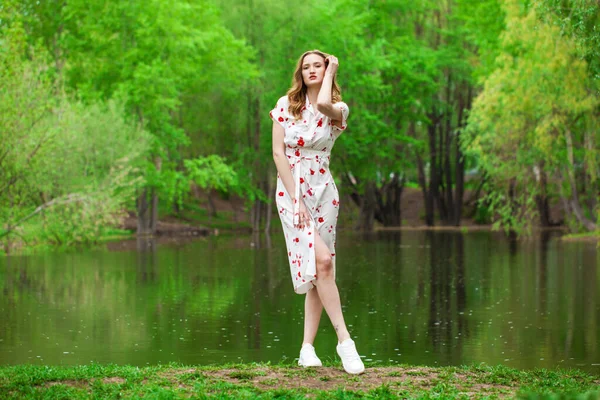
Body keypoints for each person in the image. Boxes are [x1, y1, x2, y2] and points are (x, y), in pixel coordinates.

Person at [269, 49, 365, 375]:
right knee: (322, 261)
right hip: (292, 190)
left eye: (318, 66)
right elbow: (278, 153)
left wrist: (334, 68)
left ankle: (306, 349)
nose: (311, 70)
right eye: (306, 66)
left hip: (324, 191)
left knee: (320, 273)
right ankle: (344, 341)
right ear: (300, 72)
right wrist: (296, 201)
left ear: (327, 70)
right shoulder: (285, 105)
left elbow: (324, 105)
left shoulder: (338, 108)